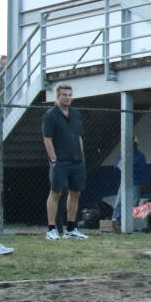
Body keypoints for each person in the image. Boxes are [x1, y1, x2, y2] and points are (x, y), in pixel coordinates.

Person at [42, 83, 88, 241]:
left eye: (70, 95)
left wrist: (81, 156)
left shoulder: (76, 114)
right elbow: (47, 138)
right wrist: (54, 160)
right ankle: (51, 229)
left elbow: (79, 137)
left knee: (75, 193)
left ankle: (71, 228)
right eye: (64, 95)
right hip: (60, 161)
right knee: (56, 192)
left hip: (77, 161)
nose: (67, 98)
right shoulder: (51, 115)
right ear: (58, 96)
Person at [112, 139, 148, 223]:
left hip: (135, 181)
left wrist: (130, 168)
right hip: (124, 182)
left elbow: (141, 168)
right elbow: (116, 164)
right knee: (119, 202)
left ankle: (131, 222)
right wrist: (121, 165)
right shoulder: (124, 154)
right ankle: (115, 220)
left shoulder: (140, 155)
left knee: (133, 204)